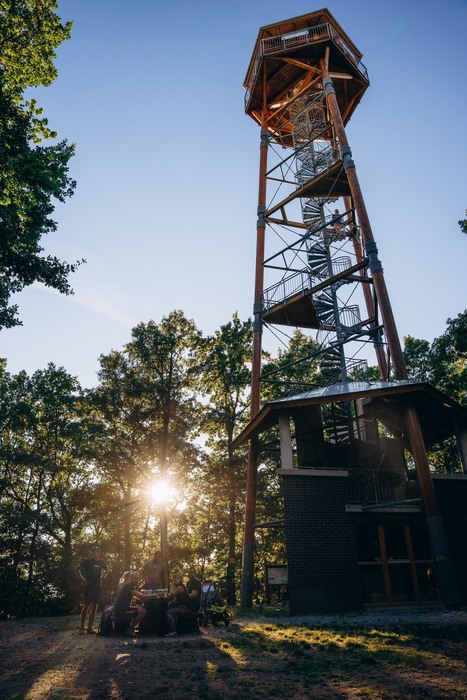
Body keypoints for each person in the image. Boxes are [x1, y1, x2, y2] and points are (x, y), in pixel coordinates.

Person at [75, 546, 108, 635]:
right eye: (94, 551)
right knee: (86, 606)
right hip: (88, 587)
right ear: (92, 553)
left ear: (99, 553)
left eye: (97, 551)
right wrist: (83, 579)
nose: (95, 553)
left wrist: (102, 577)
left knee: (94, 607)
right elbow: (76, 569)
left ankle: (89, 628)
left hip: (98, 587)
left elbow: (107, 570)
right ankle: (81, 628)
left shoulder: (102, 562)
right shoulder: (88, 561)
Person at [113, 571, 157, 636]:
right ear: (130, 578)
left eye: (138, 579)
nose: (137, 580)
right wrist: (154, 595)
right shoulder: (129, 586)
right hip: (121, 610)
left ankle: (138, 628)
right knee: (143, 611)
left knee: (139, 607)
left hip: (122, 608)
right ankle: (130, 629)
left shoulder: (129, 585)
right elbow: (141, 596)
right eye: (135, 578)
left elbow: (137, 596)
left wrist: (142, 598)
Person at [165, 571, 191, 637]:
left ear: (181, 579)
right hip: (181, 606)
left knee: (169, 613)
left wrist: (172, 586)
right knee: (171, 610)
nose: (175, 579)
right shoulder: (177, 587)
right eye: (174, 578)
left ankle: (174, 632)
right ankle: (174, 630)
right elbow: (174, 599)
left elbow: (171, 595)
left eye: (177, 578)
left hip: (186, 607)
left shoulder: (180, 587)